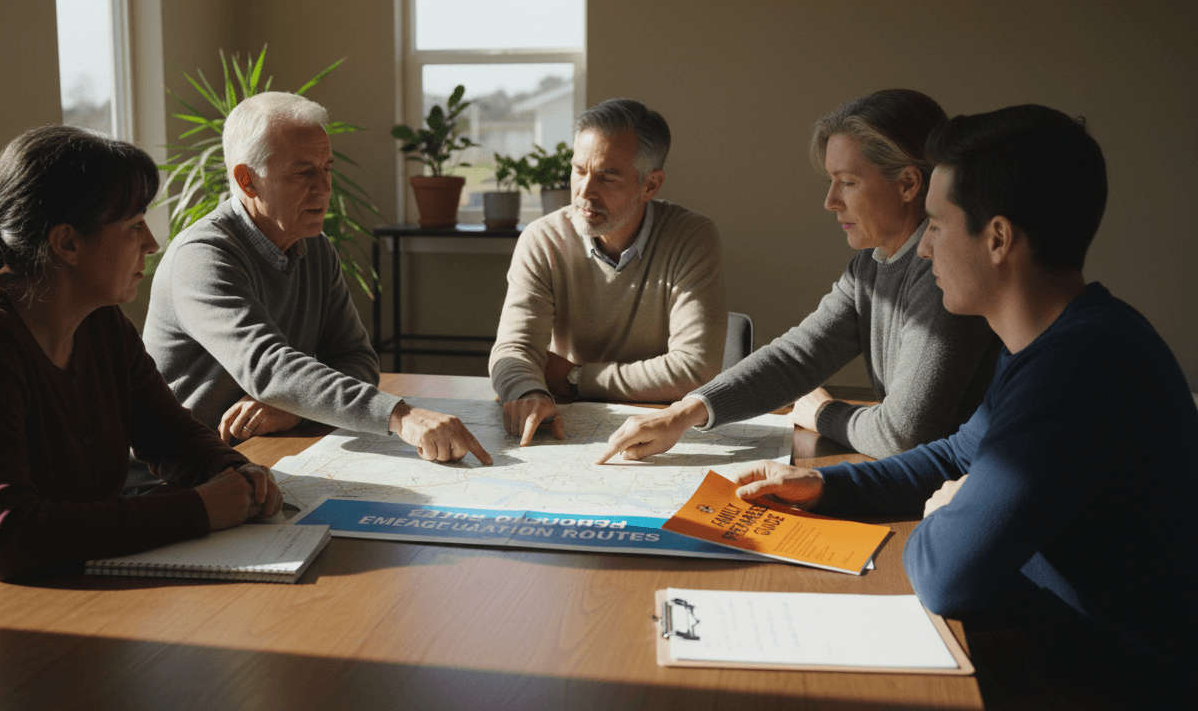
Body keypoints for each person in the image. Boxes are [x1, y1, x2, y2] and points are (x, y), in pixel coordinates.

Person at [719, 105, 1196, 708]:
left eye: (938, 228)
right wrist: (820, 486)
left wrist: (949, 509)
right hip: (1048, 663)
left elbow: (949, 576)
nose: (923, 252)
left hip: (1099, 695)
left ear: (997, 239)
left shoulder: (1080, 365)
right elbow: (955, 452)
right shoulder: (1056, 343)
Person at [0, 126, 280, 626]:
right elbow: (7, 535)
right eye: (133, 225)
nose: (152, 242)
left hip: (55, 597)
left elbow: (169, 433)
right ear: (67, 244)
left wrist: (232, 472)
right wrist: (199, 509)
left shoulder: (99, 322)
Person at [596, 90, 999, 463]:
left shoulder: (943, 274)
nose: (830, 201)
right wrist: (684, 414)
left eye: (848, 182)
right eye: (831, 181)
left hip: (959, 485)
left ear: (909, 183)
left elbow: (901, 434)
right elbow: (796, 357)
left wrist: (821, 412)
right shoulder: (869, 268)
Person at [144, 92, 490, 466]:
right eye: (303, 172)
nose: (325, 189)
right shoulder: (202, 256)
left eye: (327, 168)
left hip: (253, 460)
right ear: (247, 181)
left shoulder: (315, 247)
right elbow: (268, 367)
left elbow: (356, 358)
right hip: (175, 473)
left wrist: (294, 408)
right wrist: (401, 416)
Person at [490, 98, 727, 445]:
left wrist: (573, 378)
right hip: (567, 424)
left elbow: (695, 371)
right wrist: (529, 391)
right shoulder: (542, 240)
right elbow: (513, 350)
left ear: (650, 185)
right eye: (579, 170)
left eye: (607, 176)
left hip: (662, 429)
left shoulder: (691, 237)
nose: (585, 192)